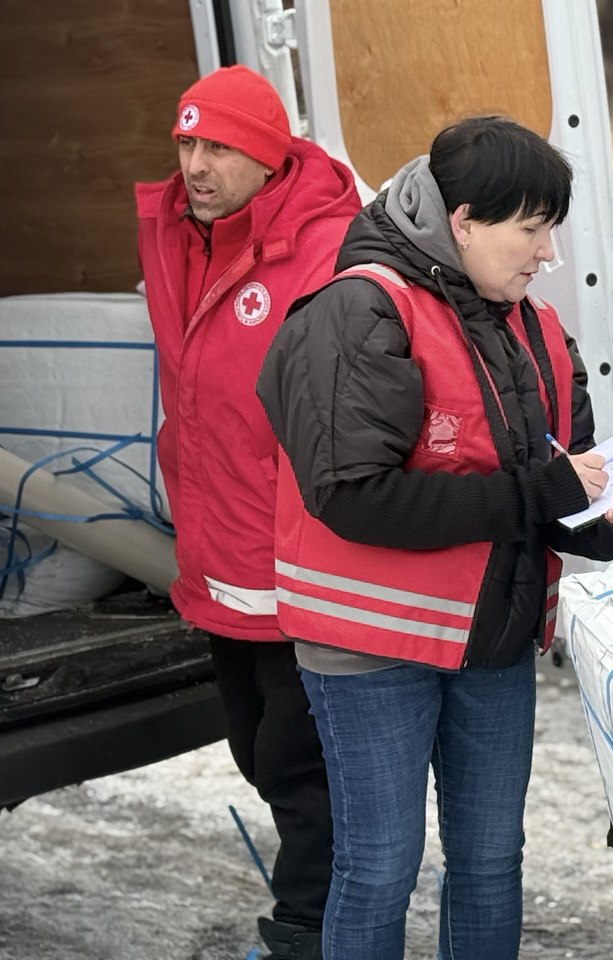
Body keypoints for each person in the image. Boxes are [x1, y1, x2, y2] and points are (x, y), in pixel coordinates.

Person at [255, 115, 613, 960]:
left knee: (490, 862)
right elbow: (352, 497)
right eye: (532, 229)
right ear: (463, 220)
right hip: (371, 648)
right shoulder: (364, 308)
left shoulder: (535, 327)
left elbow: (561, 481)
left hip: (489, 640)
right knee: (379, 867)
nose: (548, 253)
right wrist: (544, 493)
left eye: (552, 229)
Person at [135, 65, 360, 959]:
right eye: (187, 143)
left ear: (269, 157)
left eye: (219, 147)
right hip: (215, 554)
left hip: (297, 562)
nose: (196, 165)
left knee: (300, 767)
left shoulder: (326, 246)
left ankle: (310, 930)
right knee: (256, 752)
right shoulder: (176, 233)